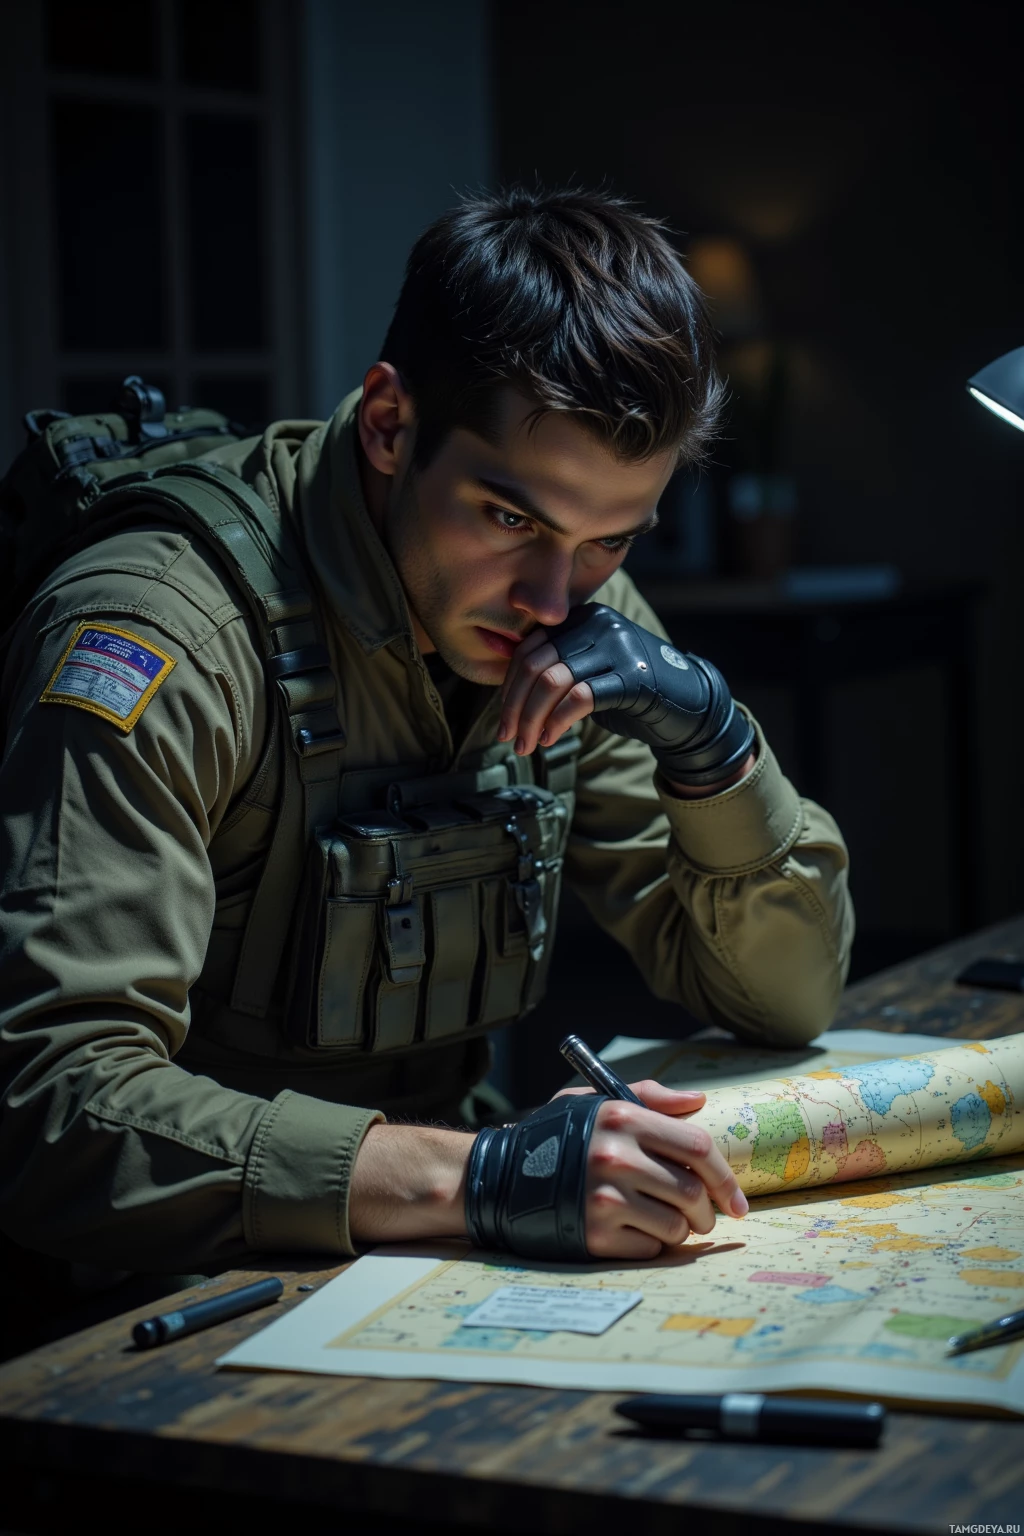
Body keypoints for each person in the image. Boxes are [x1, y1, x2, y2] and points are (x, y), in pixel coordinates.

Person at [0, 187, 853, 1291]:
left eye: (609, 539)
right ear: (391, 425)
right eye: (511, 519)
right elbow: (49, 1104)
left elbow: (783, 999)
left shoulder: (578, 610)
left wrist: (712, 738)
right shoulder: (162, 634)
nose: (553, 598)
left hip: (417, 1243)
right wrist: (481, 1177)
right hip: (144, 1290)